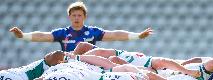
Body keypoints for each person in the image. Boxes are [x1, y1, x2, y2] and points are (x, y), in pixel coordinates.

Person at [10, 1, 153, 52]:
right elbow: (42, 36)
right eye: (74, 15)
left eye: (79, 15)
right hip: (68, 67)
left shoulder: (92, 32)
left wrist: (138, 36)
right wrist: (23, 36)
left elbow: (115, 34)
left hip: (90, 66)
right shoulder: (63, 33)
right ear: (69, 17)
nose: (76, 18)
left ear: (84, 17)